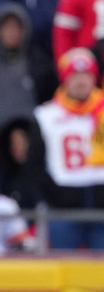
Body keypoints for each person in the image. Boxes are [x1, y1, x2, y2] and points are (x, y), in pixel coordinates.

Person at [35, 48, 104, 249]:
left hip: (102, 205)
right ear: (65, 78)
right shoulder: (45, 115)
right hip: (63, 207)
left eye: (86, 75)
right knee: (63, 262)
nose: (81, 82)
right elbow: (34, 164)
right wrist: (55, 195)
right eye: (75, 75)